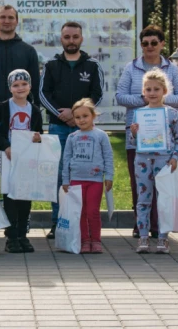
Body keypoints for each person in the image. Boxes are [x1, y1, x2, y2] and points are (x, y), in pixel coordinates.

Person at [116, 25, 178, 239]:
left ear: (162, 44)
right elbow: (120, 96)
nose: (149, 47)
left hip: (165, 143)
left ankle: (159, 227)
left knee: (162, 185)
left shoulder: (171, 69)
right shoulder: (132, 68)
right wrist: (143, 100)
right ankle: (141, 226)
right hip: (138, 139)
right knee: (139, 185)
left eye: (154, 43)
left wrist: (160, 100)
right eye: (145, 43)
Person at [39, 21, 105, 240]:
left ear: (81, 39)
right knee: (60, 176)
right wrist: (62, 115)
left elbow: (98, 95)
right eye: (67, 37)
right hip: (58, 127)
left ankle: (82, 222)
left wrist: (76, 114)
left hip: (85, 130)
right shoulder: (50, 65)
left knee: (84, 174)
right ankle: (59, 222)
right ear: (61, 39)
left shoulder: (93, 65)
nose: (71, 41)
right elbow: (42, 94)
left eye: (75, 37)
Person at [129, 69, 178, 254]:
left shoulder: (172, 114)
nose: (152, 93)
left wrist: (175, 158)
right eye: (148, 89)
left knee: (164, 200)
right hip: (143, 161)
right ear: (143, 92)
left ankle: (162, 238)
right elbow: (132, 142)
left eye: (156, 89)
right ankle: (143, 237)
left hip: (164, 162)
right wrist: (134, 133)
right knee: (143, 199)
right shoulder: (139, 114)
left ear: (164, 91)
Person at [0, 69, 43, 253]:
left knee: (25, 197)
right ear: (10, 88)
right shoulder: (4, 108)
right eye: (16, 85)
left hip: (27, 159)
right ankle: (11, 236)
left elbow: (39, 134)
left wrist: (38, 139)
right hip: (8, 159)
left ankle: (23, 234)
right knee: (10, 198)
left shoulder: (35, 110)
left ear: (30, 86)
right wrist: (6, 146)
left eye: (24, 84)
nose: (20, 88)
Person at [61, 98, 113, 254]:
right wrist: (65, 179)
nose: (81, 120)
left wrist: (109, 176)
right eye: (77, 117)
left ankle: (96, 240)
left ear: (93, 116)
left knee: (92, 211)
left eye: (85, 116)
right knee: (81, 212)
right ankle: (85, 240)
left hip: (95, 180)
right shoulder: (72, 137)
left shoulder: (101, 136)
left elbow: (108, 156)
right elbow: (66, 159)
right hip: (76, 180)